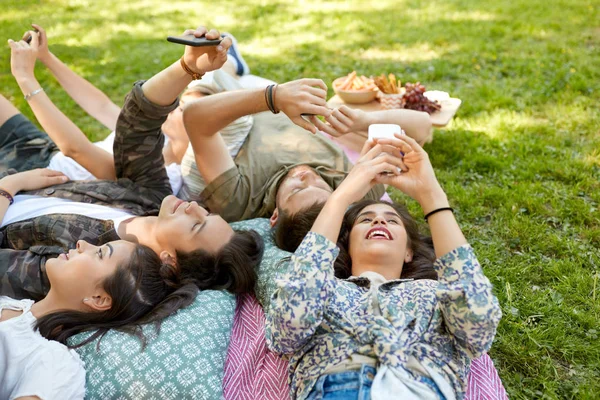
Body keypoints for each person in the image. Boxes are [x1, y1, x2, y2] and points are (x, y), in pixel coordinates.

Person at [1, 26, 263, 300]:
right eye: (207, 214)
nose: (195, 207)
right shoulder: (149, 199)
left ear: (170, 260)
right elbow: (138, 123)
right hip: (25, 164)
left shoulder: (95, 267)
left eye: (197, 225)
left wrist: (9, 187)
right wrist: (188, 67)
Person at [265, 133, 502, 399]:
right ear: (345, 246)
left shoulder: (436, 293)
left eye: (392, 220)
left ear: (408, 252)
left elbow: (479, 328)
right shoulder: (324, 289)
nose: (379, 222)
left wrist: (432, 196)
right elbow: (286, 330)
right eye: (365, 220)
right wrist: (341, 197)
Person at [0, 168, 198, 399]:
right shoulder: (14, 305)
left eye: (100, 254)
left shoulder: (53, 364)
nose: (83, 243)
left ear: (99, 299)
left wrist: (7, 188)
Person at [182, 75, 433, 252]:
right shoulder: (356, 187)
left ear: (275, 216)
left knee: (203, 83)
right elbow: (422, 126)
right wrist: (364, 121)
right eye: (322, 187)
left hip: (243, 102)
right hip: (287, 101)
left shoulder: (238, 199)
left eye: (297, 189)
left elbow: (194, 117)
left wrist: (274, 97)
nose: (306, 175)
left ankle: (232, 66)